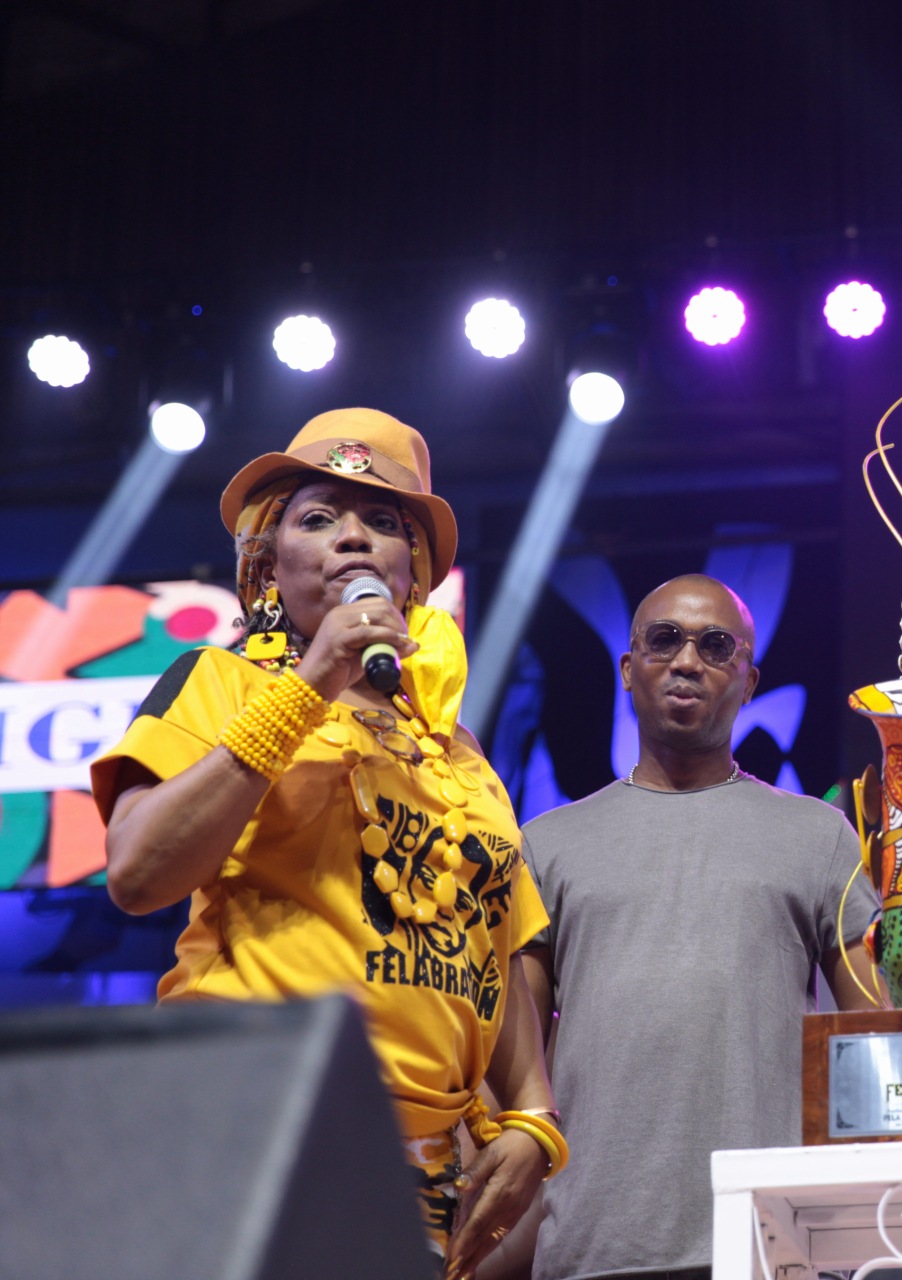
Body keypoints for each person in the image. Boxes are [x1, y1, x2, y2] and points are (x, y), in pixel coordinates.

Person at [92, 409, 562, 1279]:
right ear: (269, 564)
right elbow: (138, 872)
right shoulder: (219, 682)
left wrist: (533, 1113)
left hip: (427, 1166)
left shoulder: (458, 752)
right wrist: (311, 685)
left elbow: (492, 943)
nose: (354, 538)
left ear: (413, 576)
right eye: (319, 519)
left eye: (384, 523)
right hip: (254, 1117)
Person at [519, 574, 884, 1280]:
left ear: (748, 679)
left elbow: (872, 1045)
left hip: (773, 1242)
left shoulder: (817, 835)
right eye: (664, 641)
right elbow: (518, 1076)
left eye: (716, 647)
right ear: (628, 670)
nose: (687, 661)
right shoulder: (546, 844)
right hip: (593, 1244)